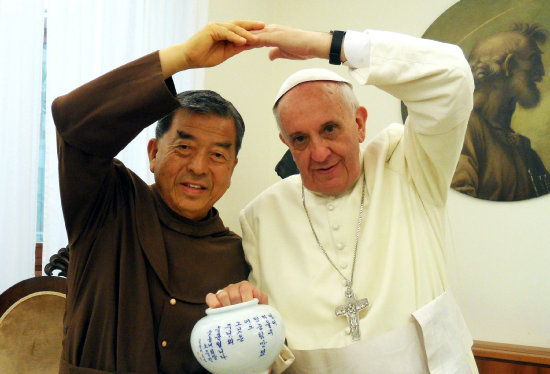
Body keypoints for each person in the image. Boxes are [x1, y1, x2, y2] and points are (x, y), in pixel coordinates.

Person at [207, 25, 478, 373]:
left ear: (360, 123)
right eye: (300, 139)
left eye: (330, 129)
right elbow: (269, 344)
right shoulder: (262, 216)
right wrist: (239, 317)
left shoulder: (408, 163)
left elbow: (452, 76)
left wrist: (329, 45)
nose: (319, 153)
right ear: (286, 143)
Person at [52, 21, 268, 373]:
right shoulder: (108, 202)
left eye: (217, 155)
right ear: (153, 153)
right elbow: (74, 121)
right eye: (184, 147)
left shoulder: (236, 257)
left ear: (232, 167)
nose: (199, 167)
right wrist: (181, 58)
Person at [452, 23, 550, 201]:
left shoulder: (525, 151)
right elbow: (459, 206)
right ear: (509, 65)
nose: (541, 72)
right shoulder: (462, 127)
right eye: (534, 61)